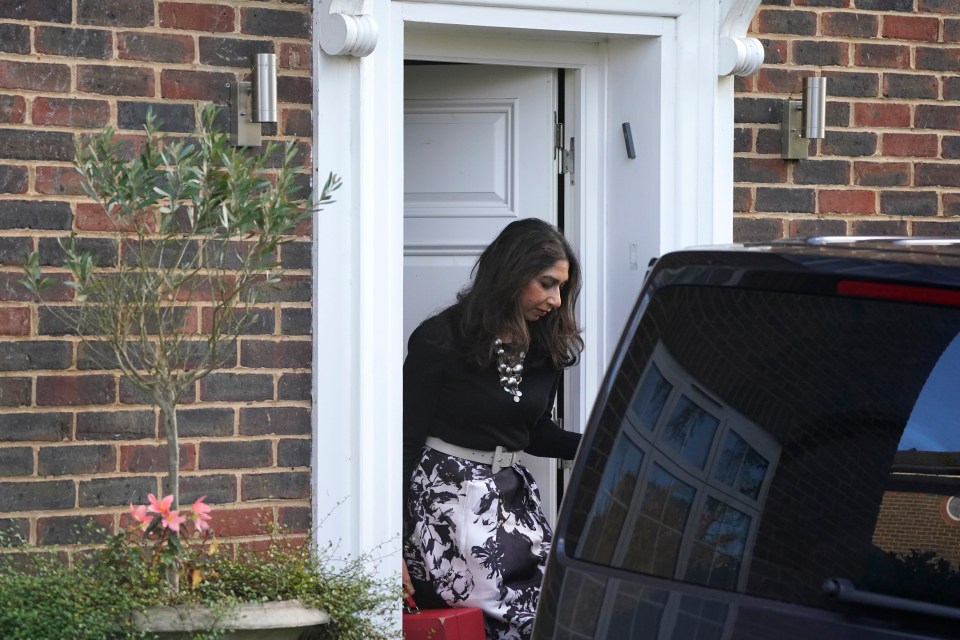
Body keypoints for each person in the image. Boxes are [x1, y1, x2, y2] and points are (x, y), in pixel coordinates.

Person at [403, 218, 584, 640]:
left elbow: (535, 434)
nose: (556, 300)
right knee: (493, 620)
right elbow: (405, 439)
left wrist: (605, 443)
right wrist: (391, 540)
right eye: (546, 284)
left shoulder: (545, 350)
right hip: (444, 497)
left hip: (510, 494)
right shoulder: (440, 338)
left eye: (562, 288)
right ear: (512, 275)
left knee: (551, 610)